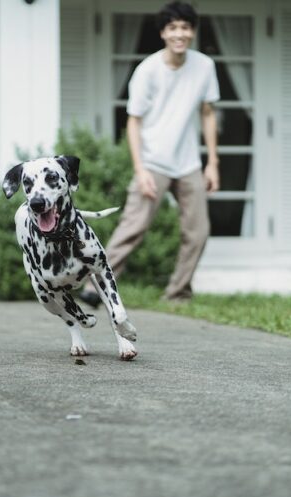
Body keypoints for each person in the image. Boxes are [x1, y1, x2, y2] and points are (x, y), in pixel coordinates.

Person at [81, 0, 220, 305]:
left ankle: (178, 293)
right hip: (154, 162)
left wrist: (213, 162)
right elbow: (134, 122)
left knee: (198, 232)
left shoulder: (204, 67)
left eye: (185, 27)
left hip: (188, 164)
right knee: (133, 228)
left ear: (193, 31)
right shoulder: (148, 70)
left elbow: (207, 113)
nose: (179, 34)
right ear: (163, 33)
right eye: (173, 28)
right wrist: (141, 169)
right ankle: (94, 286)